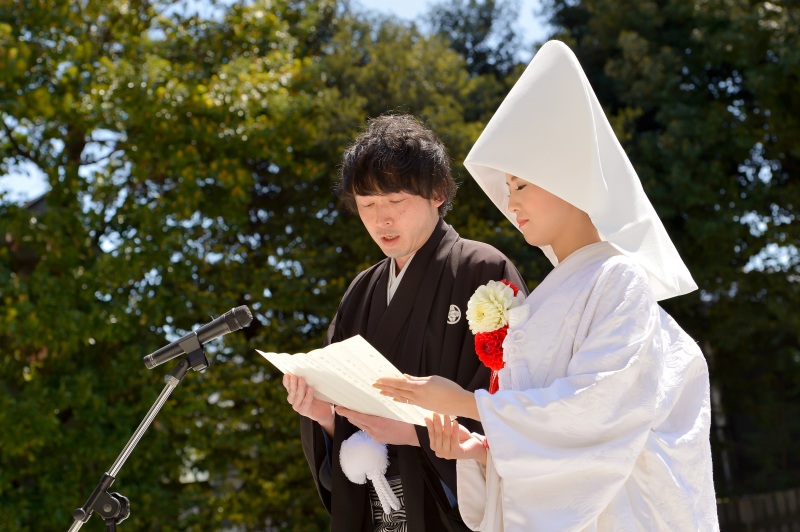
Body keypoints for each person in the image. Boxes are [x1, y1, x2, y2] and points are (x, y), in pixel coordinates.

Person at [374, 41, 719, 531]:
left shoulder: (618, 279)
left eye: (521, 185)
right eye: (510, 189)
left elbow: (597, 411)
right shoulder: (554, 292)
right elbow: (553, 441)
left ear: (568, 179)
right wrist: (482, 452)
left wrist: (464, 403)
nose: (511, 204)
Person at [282, 114, 527, 531]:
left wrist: (415, 432)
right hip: (375, 513)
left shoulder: (482, 270)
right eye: (368, 206)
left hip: (451, 511)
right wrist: (322, 415)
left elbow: (517, 401)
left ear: (437, 192)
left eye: (395, 202)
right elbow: (343, 420)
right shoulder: (361, 293)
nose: (382, 220)